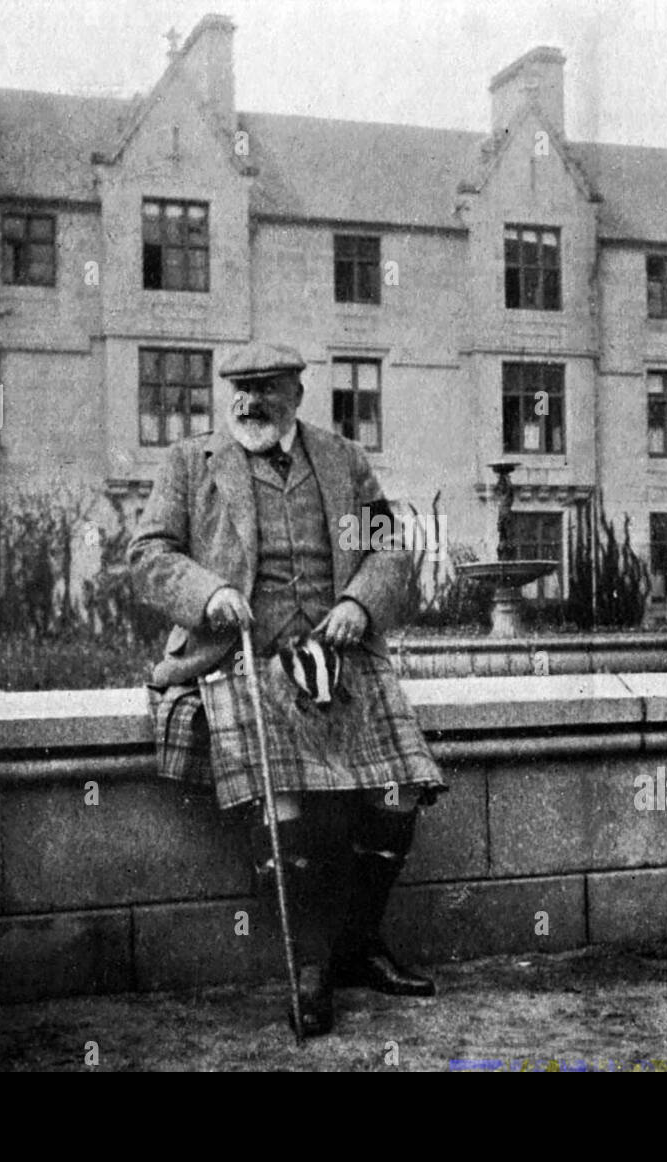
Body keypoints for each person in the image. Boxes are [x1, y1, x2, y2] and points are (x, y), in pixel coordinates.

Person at [130, 341, 446, 1036]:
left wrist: (360, 603)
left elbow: (388, 548)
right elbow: (149, 555)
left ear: (296, 394)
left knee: (399, 792)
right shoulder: (191, 464)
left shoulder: (342, 460)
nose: (247, 402)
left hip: (338, 658)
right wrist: (208, 592)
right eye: (238, 390)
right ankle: (308, 964)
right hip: (240, 658)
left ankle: (359, 944)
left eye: (264, 389)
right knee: (289, 804)